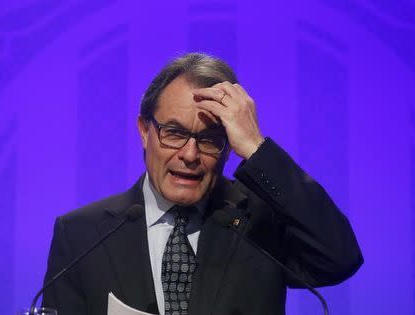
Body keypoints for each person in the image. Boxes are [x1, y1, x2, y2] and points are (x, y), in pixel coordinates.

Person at [42, 53, 363, 315]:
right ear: (144, 130)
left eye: (210, 140)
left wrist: (255, 147)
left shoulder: (259, 223)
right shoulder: (81, 235)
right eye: (174, 133)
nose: (190, 154)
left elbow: (339, 258)